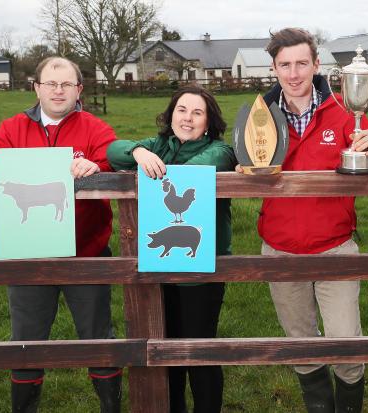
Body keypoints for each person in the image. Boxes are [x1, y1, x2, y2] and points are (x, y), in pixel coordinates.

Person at [236, 27, 368, 413]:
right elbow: (235, 157)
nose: (293, 73)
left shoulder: (343, 111)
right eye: (285, 65)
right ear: (273, 68)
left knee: (345, 343)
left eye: (301, 63)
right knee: (301, 344)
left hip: (335, 247)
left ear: (316, 64)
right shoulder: (260, 117)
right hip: (280, 249)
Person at [0, 57, 121, 413]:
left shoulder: (94, 128)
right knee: (26, 341)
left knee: (98, 336)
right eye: (50, 83)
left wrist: (98, 166)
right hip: (27, 257)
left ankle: (110, 406)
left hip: (86, 253)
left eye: (67, 84)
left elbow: (113, 159)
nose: (58, 90)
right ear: (36, 87)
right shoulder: (13, 128)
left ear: (79, 90)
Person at [107, 85, 236, 413]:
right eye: (182, 110)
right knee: (166, 353)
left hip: (201, 271)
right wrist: (138, 153)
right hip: (159, 272)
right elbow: (113, 151)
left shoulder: (220, 150)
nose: (188, 118)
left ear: (208, 121)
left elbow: (203, 167)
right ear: (171, 114)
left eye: (197, 112)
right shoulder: (157, 145)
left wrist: (159, 169)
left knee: (199, 351)